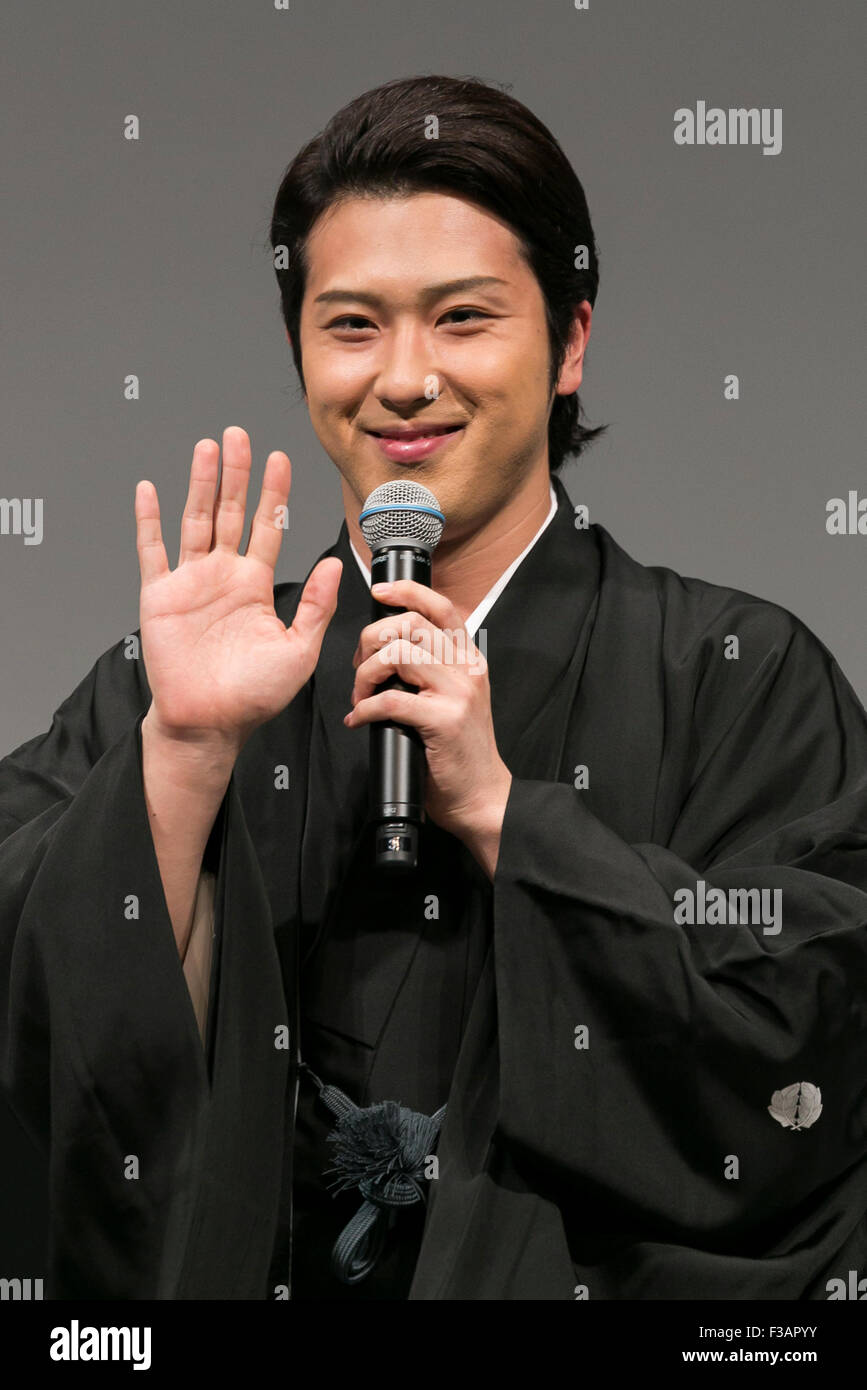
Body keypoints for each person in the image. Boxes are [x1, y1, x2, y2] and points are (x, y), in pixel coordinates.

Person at [1, 73, 866, 1302]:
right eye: (351, 325)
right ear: (300, 351)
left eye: (463, 318)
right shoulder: (183, 684)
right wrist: (180, 766)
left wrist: (517, 820)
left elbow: (812, 1027)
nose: (404, 379)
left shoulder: (739, 674)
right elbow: (33, 1060)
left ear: (570, 343)